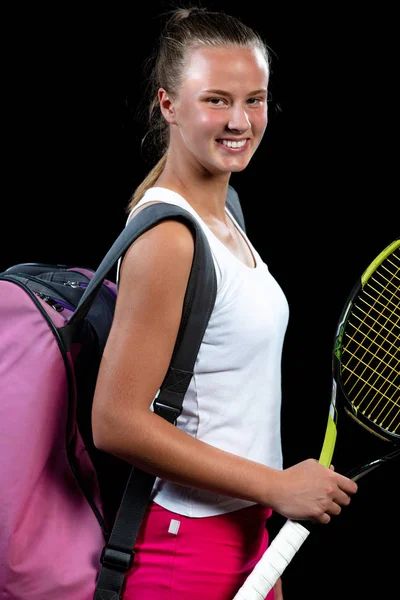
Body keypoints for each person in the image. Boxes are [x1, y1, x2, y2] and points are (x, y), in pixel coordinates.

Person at [92, 5, 358, 600]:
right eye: (216, 99)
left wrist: (264, 535)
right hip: (182, 555)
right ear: (168, 105)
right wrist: (276, 486)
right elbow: (116, 421)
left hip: (246, 542)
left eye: (255, 99)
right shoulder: (168, 236)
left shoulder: (226, 215)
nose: (239, 120)